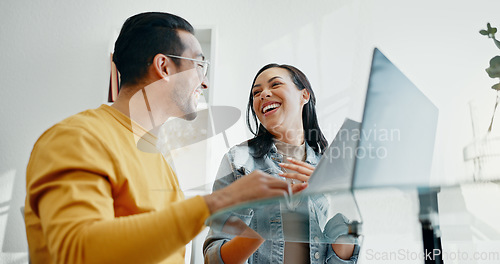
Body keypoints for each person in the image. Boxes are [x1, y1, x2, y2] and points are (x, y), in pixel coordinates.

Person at [24, 12, 293, 264]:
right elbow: (78, 252)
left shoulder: (160, 158)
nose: (205, 82)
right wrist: (216, 203)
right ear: (164, 66)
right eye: (200, 65)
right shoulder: (77, 138)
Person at [203, 64, 360, 263]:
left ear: (304, 95)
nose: (263, 94)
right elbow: (214, 257)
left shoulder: (326, 166)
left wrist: (340, 197)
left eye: (275, 84)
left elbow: (344, 248)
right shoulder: (238, 161)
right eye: (256, 92)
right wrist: (257, 214)